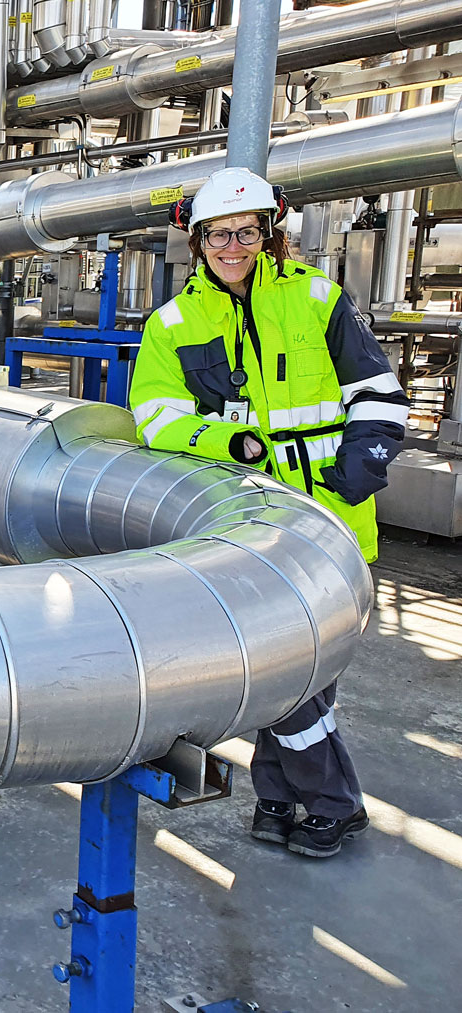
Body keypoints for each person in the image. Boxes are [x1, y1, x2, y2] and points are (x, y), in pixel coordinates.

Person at [131, 166, 409, 859]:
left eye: (246, 231)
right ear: (197, 241)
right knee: (283, 672)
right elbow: (156, 417)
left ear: (268, 232)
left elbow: (378, 391)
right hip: (248, 521)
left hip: (329, 520)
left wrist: (363, 465)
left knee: (301, 676)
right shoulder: (173, 324)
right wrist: (232, 440)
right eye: (219, 234)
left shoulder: (318, 300)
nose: (233, 246)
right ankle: (285, 798)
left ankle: (329, 804)